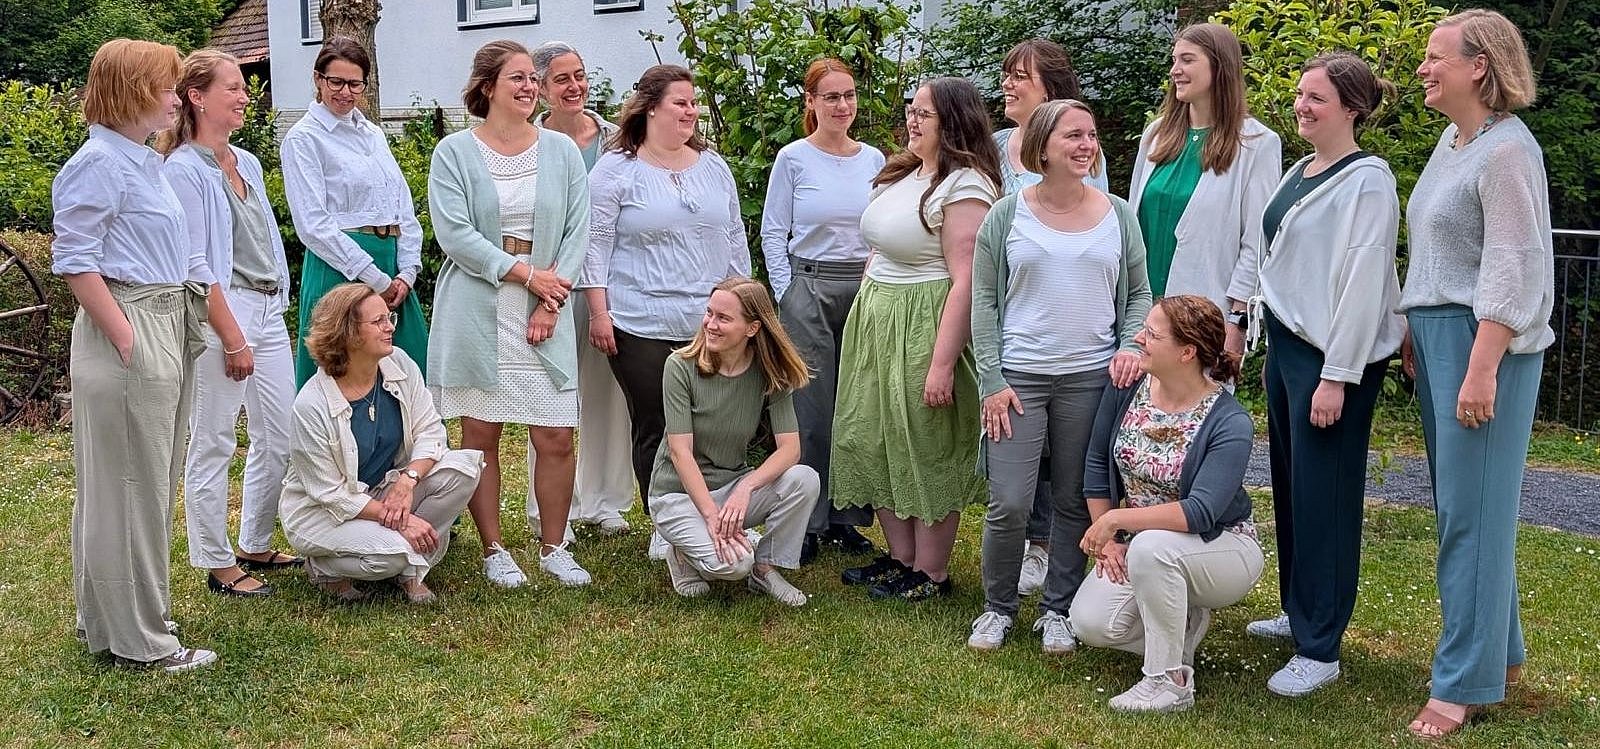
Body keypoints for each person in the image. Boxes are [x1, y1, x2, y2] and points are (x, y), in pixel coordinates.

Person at [1399, 10, 1552, 739]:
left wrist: (1481, 366)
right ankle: (1506, 657)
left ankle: (1462, 683)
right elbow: (1438, 252)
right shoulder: (1452, 142)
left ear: (1479, 67)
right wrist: (1411, 325)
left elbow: (1513, 264)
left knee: (1470, 518)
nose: (1423, 69)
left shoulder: (1507, 152)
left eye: (1435, 57)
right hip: (1439, 337)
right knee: (1472, 509)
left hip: (1481, 344)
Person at [53, 38, 218, 672]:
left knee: (141, 485)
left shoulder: (143, 162)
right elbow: (74, 259)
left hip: (162, 321)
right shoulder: (100, 162)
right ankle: (140, 641)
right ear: (133, 90)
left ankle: (116, 622)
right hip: (131, 326)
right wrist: (126, 335)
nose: (178, 98)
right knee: (129, 488)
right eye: (168, 86)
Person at [1246, 52, 1404, 697]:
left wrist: (1337, 375)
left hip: (1330, 357)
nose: (1301, 106)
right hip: (1286, 350)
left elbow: (1366, 282)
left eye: (1316, 98)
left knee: (1327, 495)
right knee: (1290, 485)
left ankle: (1321, 645)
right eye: (1300, 95)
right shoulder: (1300, 170)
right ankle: (1297, 607)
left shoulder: (1368, 180)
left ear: (1351, 109)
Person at [968, 99, 1151, 652]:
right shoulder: (1007, 215)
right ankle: (997, 608)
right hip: (1019, 380)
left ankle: (1058, 609)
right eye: (1073, 136)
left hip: (1090, 380)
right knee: (1011, 502)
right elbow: (983, 300)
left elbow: (1140, 292)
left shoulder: (1118, 214)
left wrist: (1128, 346)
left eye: (1091, 136)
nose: (1086, 145)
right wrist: (992, 380)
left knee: (1075, 499)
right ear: (1041, 146)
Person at [427, 40, 593, 587]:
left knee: (556, 435)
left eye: (531, 79)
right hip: (479, 305)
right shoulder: (453, 152)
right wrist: (524, 275)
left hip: (548, 302)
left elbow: (576, 231)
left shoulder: (562, 152)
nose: (528, 88)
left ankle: (554, 546)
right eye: (516, 78)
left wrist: (549, 299)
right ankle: (494, 549)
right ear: (487, 86)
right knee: (481, 432)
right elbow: (455, 234)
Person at [832, 77, 1000, 601]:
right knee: (874, 435)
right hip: (878, 320)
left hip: (925, 321)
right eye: (911, 109)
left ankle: (931, 572)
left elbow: (967, 277)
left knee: (923, 442)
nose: (912, 119)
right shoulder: (904, 172)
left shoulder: (965, 185)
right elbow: (879, 248)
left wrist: (942, 363)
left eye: (924, 112)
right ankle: (900, 557)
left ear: (953, 121)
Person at [581, 64, 750, 555]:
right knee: (658, 423)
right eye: (681, 102)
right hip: (639, 322)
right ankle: (665, 522)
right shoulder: (617, 169)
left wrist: (744, 303)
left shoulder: (713, 167)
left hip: (710, 322)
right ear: (651, 107)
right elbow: (595, 246)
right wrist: (599, 312)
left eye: (694, 103)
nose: (691, 111)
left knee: (712, 422)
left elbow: (734, 238)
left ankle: (714, 514)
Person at [1068, 296, 1262, 713]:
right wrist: (1111, 540)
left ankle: (1168, 681)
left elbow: (1201, 512)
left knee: (1154, 548)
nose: (1139, 338)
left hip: (1221, 547)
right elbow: (1096, 466)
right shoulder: (1126, 389)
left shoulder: (1230, 421)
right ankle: (1181, 626)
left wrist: (1120, 521)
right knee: (1089, 622)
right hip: (1142, 546)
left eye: (1152, 335)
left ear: (1186, 352)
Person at [160, 50, 302, 600]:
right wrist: (231, 335)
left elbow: (263, 239)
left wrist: (274, 307)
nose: (245, 97)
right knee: (215, 438)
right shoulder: (183, 170)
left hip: (267, 308)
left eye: (244, 89)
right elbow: (196, 264)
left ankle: (256, 540)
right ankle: (216, 562)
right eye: (234, 88)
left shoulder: (247, 161)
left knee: (280, 432)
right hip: (224, 313)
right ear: (197, 97)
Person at [281, 284, 484, 604]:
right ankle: (325, 568)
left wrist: (408, 480)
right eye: (378, 322)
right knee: (392, 555)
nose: (390, 326)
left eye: (389, 318)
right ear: (347, 332)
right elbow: (332, 496)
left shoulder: (399, 364)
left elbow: (432, 431)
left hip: (384, 492)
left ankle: (409, 572)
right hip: (325, 513)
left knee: (464, 469)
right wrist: (405, 521)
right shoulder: (311, 405)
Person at [758, 57, 886, 564]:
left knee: (856, 407)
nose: (842, 105)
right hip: (807, 286)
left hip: (862, 286)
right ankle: (806, 521)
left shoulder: (873, 159)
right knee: (809, 409)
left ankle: (847, 519)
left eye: (849, 95)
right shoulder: (793, 158)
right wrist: (788, 292)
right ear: (810, 102)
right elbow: (774, 230)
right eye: (830, 96)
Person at [649, 277, 820, 605]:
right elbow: (679, 452)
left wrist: (746, 487)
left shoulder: (769, 371)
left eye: (723, 318)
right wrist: (712, 518)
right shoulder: (680, 367)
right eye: (709, 313)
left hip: (730, 488)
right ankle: (681, 554)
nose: (710, 324)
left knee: (804, 480)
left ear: (752, 328)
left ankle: (765, 568)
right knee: (733, 565)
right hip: (677, 495)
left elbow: (790, 449)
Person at [526, 40, 633, 539]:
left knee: (608, 392)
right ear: (542, 87)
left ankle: (606, 500)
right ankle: (551, 506)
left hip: (609, 286)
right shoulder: (528, 142)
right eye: (562, 79)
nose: (575, 87)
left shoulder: (617, 140)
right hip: (551, 282)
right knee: (549, 391)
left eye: (580, 75)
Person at [1128, 23, 1281, 361]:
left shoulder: (1256, 144)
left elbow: (1256, 242)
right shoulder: (1156, 136)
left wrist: (1236, 321)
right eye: (1173, 60)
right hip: (1141, 311)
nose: (1175, 71)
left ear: (1219, 66)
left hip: (1204, 317)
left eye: (1187, 60)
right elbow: (1131, 224)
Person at [282, 36, 427, 388]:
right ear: (318, 79)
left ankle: (405, 444)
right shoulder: (304, 139)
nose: (345, 92)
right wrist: (375, 279)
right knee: (341, 377)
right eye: (336, 82)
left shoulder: (373, 134)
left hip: (393, 270)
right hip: (341, 269)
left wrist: (406, 271)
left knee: (409, 372)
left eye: (355, 84)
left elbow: (402, 206)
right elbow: (313, 224)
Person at [994, 39, 1109, 195]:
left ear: (1050, 88)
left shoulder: (1079, 148)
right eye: (1006, 76)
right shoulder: (995, 146)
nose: (1006, 84)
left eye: (1019, 76)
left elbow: (1092, 214)